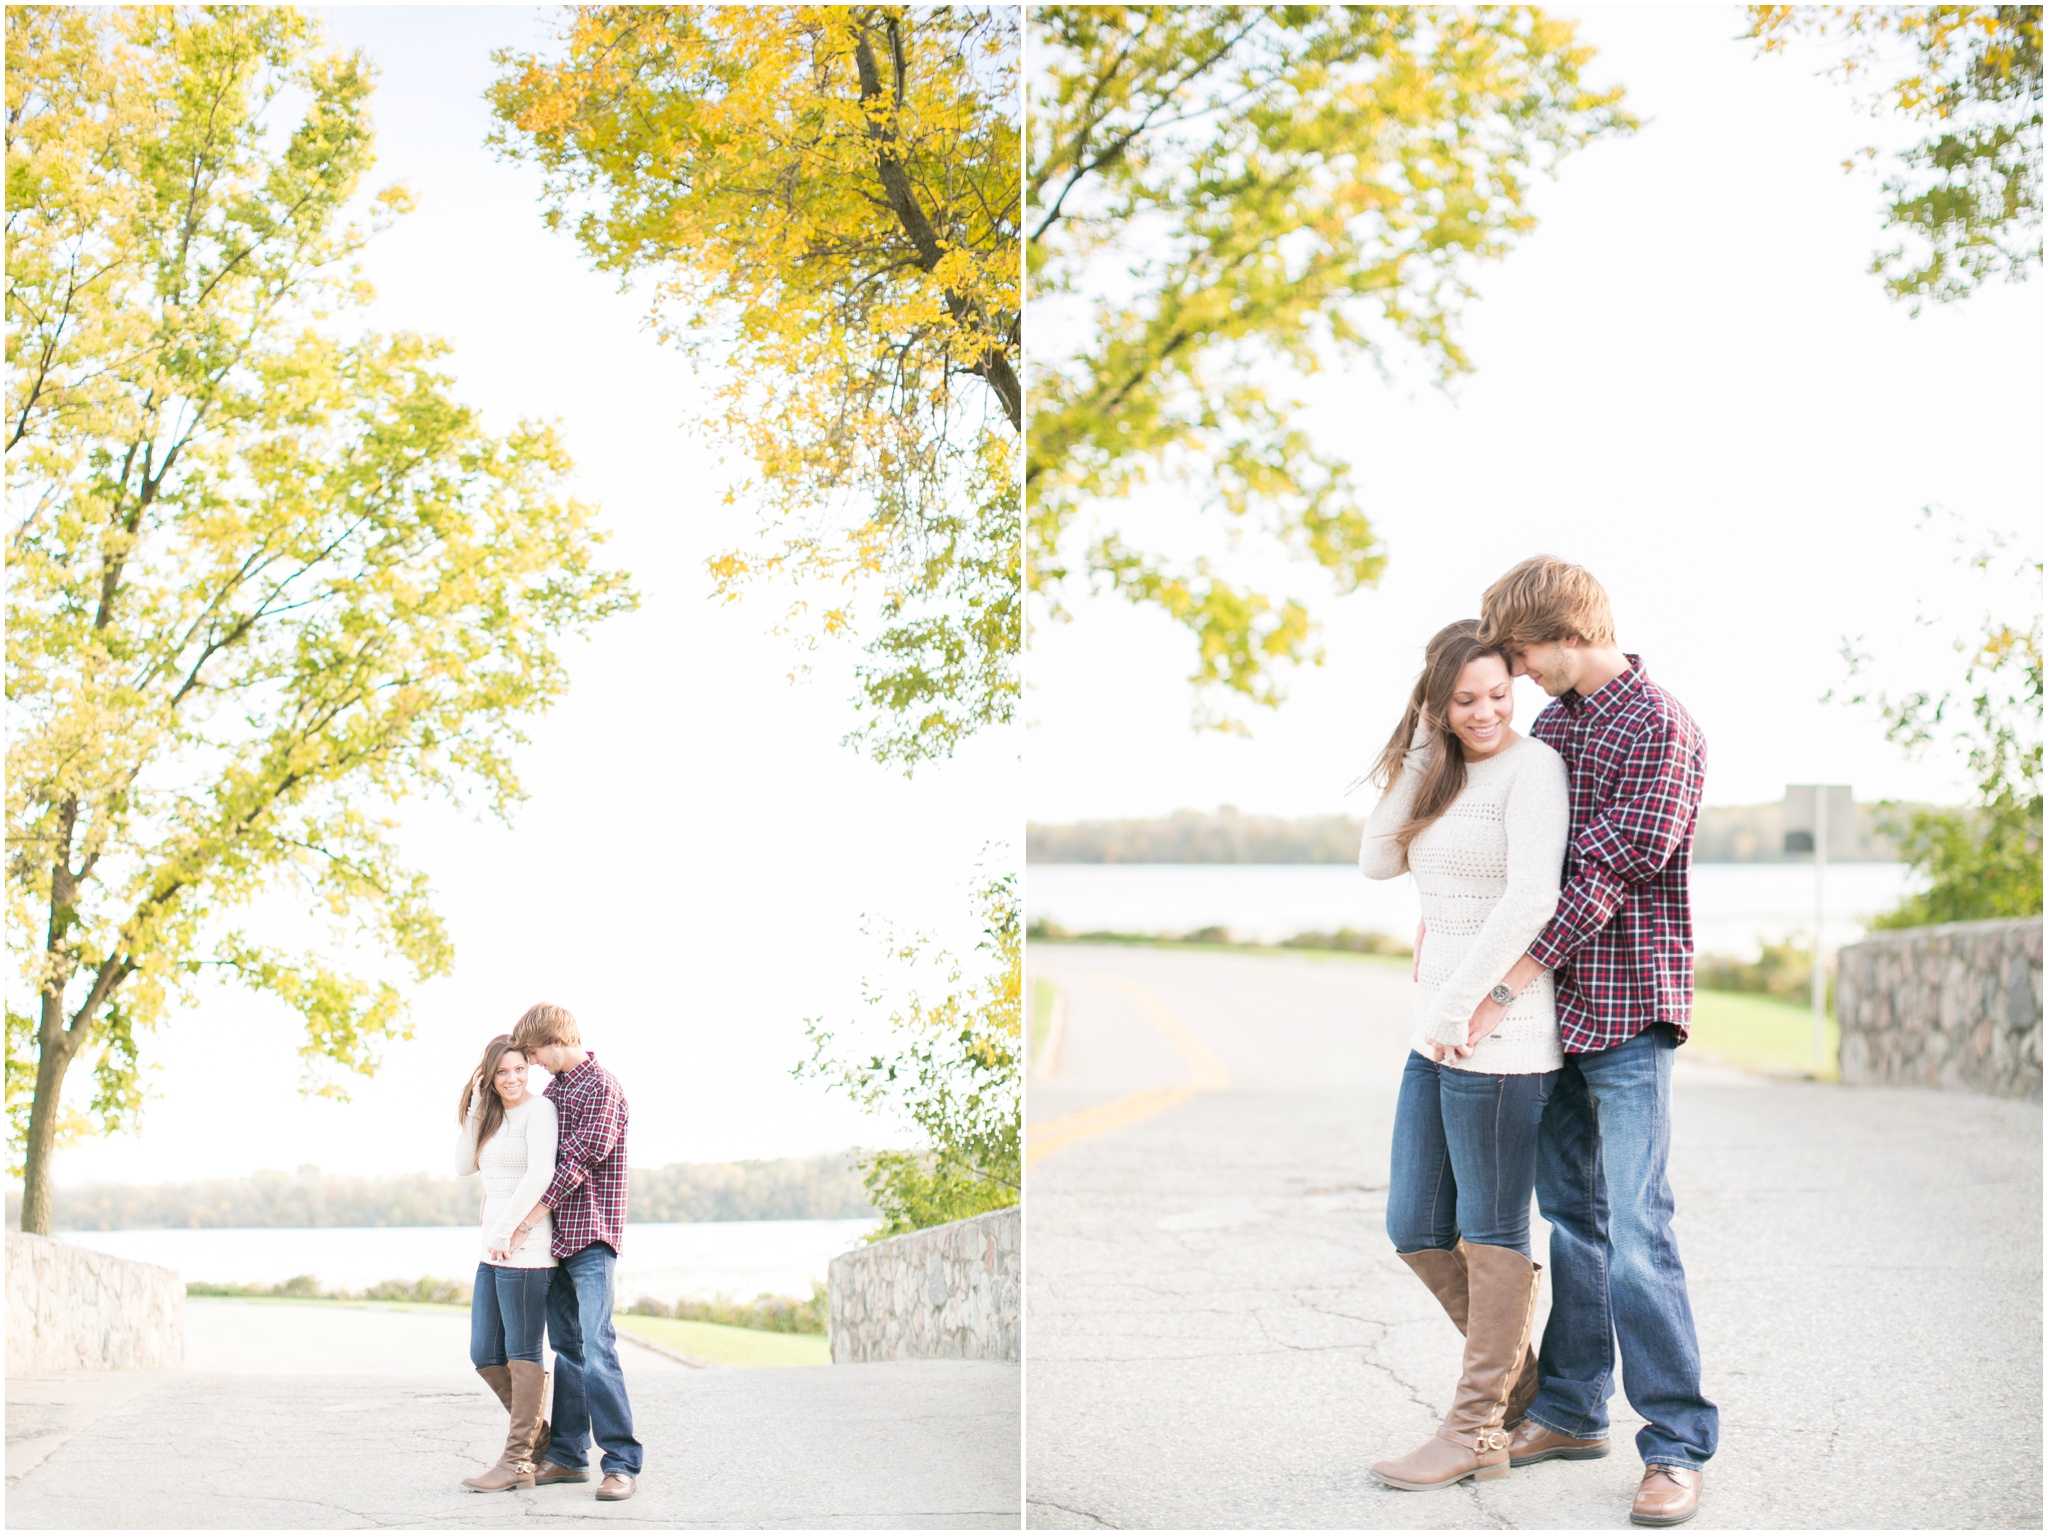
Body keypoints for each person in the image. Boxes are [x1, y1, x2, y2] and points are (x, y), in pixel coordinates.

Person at [1472, 556, 1717, 1528]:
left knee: (1636, 1233)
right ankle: (1571, 1408)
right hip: (1551, 1019)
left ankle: (1675, 1444)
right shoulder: (1552, 727)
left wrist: (1506, 977)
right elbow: (1520, 857)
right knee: (1570, 1218)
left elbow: (1607, 874)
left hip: (1623, 1008)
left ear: (1564, 631)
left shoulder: (1661, 725)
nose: (1517, 668)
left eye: (1522, 650)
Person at [1358, 619, 1571, 1494]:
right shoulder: (1442, 769)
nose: (1486, 711)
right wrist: (1416, 747)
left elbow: (1531, 897)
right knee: (1414, 1222)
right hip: (1436, 1031)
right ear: (1437, 703)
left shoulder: (1534, 769)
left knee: (1491, 1228)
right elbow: (1378, 859)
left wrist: (1460, 1006)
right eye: (1464, 700)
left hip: (1504, 1038)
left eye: (1497, 694)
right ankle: (1522, 1384)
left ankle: (1477, 1425)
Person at [503, 1002, 642, 1503]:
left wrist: (529, 1215)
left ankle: (622, 1463)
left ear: (554, 1039)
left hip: (590, 1236)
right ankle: (567, 1456)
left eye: (535, 1051)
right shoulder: (554, 1093)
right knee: (568, 1351)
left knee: (598, 1348)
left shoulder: (601, 1085)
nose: (533, 1061)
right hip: (554, 1242)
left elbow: (582, 1159)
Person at [452, 1034, 559, 1493]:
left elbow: (540, 1173)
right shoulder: (492, 1116)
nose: (512, 1078)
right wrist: (477, 1105)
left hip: (528, 1251)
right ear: (489, 1076)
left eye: (519, 1069)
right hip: (491, 1251)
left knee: (522, 1353)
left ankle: (517, 1461)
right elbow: (462, 1165)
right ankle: (543, 1442)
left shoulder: (541, 1111)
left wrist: (506, 1231)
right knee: (484, 1352)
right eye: (502, 1072)